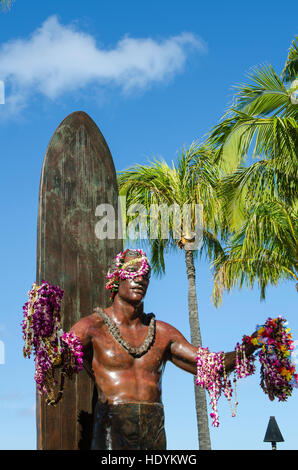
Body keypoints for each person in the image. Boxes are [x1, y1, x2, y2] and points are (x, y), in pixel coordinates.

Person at [70, 249, 259, 450]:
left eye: (146, 275)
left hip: (154, 429)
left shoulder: (162, 333)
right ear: (117, 277)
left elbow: (209, 365)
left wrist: (252, 345)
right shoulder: (92, 327)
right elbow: (58, 357)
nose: (140, 279)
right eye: (133, 271)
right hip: (112, 428)